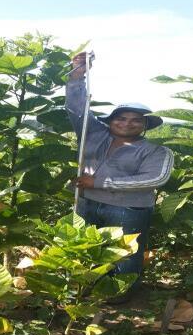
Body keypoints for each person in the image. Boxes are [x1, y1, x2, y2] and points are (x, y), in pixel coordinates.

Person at [66, 51, 174, 303]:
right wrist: (77, 75)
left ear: (145, 126)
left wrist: (100, 182)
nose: (127, 123)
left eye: (136, 121)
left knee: (125, 253)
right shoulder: (93, 134)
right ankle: (87, 288)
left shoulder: (156, 151)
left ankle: (118, 295)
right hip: (87, 202)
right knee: (86, 247)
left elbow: (154, 179)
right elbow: (76, 108)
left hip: (128, 209)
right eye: (121, 118)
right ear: (111, 121)